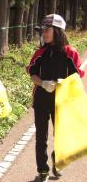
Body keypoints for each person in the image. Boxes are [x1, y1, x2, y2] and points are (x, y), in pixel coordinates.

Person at [26, 14, 85, 182]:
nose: (43, 33)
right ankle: (42, 171)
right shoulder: (40, 52)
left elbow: (79, 73)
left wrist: (62, 82)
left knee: (61, 135)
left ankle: (57, 160)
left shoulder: (70, 52)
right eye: (42, 30)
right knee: (41, 137)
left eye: (47, 29)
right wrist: (43, 83)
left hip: (62, 101)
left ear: (58, 31)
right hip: (41, 100)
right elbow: (31, 72)